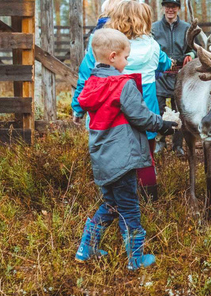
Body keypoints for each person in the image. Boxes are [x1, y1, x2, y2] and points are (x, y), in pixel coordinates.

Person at [74, 28, 178, 270]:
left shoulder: (92, 83)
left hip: (102, 157)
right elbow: (141, 117)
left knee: (111, 204)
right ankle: (135, 259)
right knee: (129, 208)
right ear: (112, 56)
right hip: (123, 158)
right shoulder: (122, 85)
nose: (128, 61)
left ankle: (86, 249)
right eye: (125, 57)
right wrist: (164, 125)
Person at [107, 1, 173, 202]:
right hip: (146, 104)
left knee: (116, 152)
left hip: (117, 103)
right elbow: (166, 63)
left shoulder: (110, 46)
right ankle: (149, 199)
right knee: (146, 155)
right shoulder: (152, 46)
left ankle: (117, 197)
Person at [72, 0, 137, 123]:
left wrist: (78, 109)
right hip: (125, 102)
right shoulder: (103, 36)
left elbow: (86, 72)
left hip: (111, 103)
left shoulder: (100, 34)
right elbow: (87, 70)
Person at [152, 0, 195, 156]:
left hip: (180, 76)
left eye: (173, 7)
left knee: (179, 111)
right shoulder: (154, 28)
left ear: (178, 9)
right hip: (160, 76)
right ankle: (160, 141)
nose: (170, 10)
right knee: (159, 109)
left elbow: (195, 47)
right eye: (167, 7)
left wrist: (191, 53)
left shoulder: (187, 28)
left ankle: (178, 146)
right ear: (163, 8)